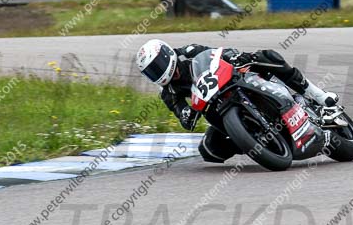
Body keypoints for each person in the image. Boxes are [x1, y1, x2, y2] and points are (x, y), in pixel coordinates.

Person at [135, 39, 338, 163]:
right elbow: (183, 117)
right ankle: (254, 142)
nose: (157, 73)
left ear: (166, 55)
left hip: (233, 79)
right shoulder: (168, 93)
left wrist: (234, 57)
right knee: (209, 150)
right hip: (216, 106)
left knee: (268, 56)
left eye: (157, 65)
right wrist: (187, 114)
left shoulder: (187, 52)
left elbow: (215, 54)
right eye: (152, 72)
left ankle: (317, 94)